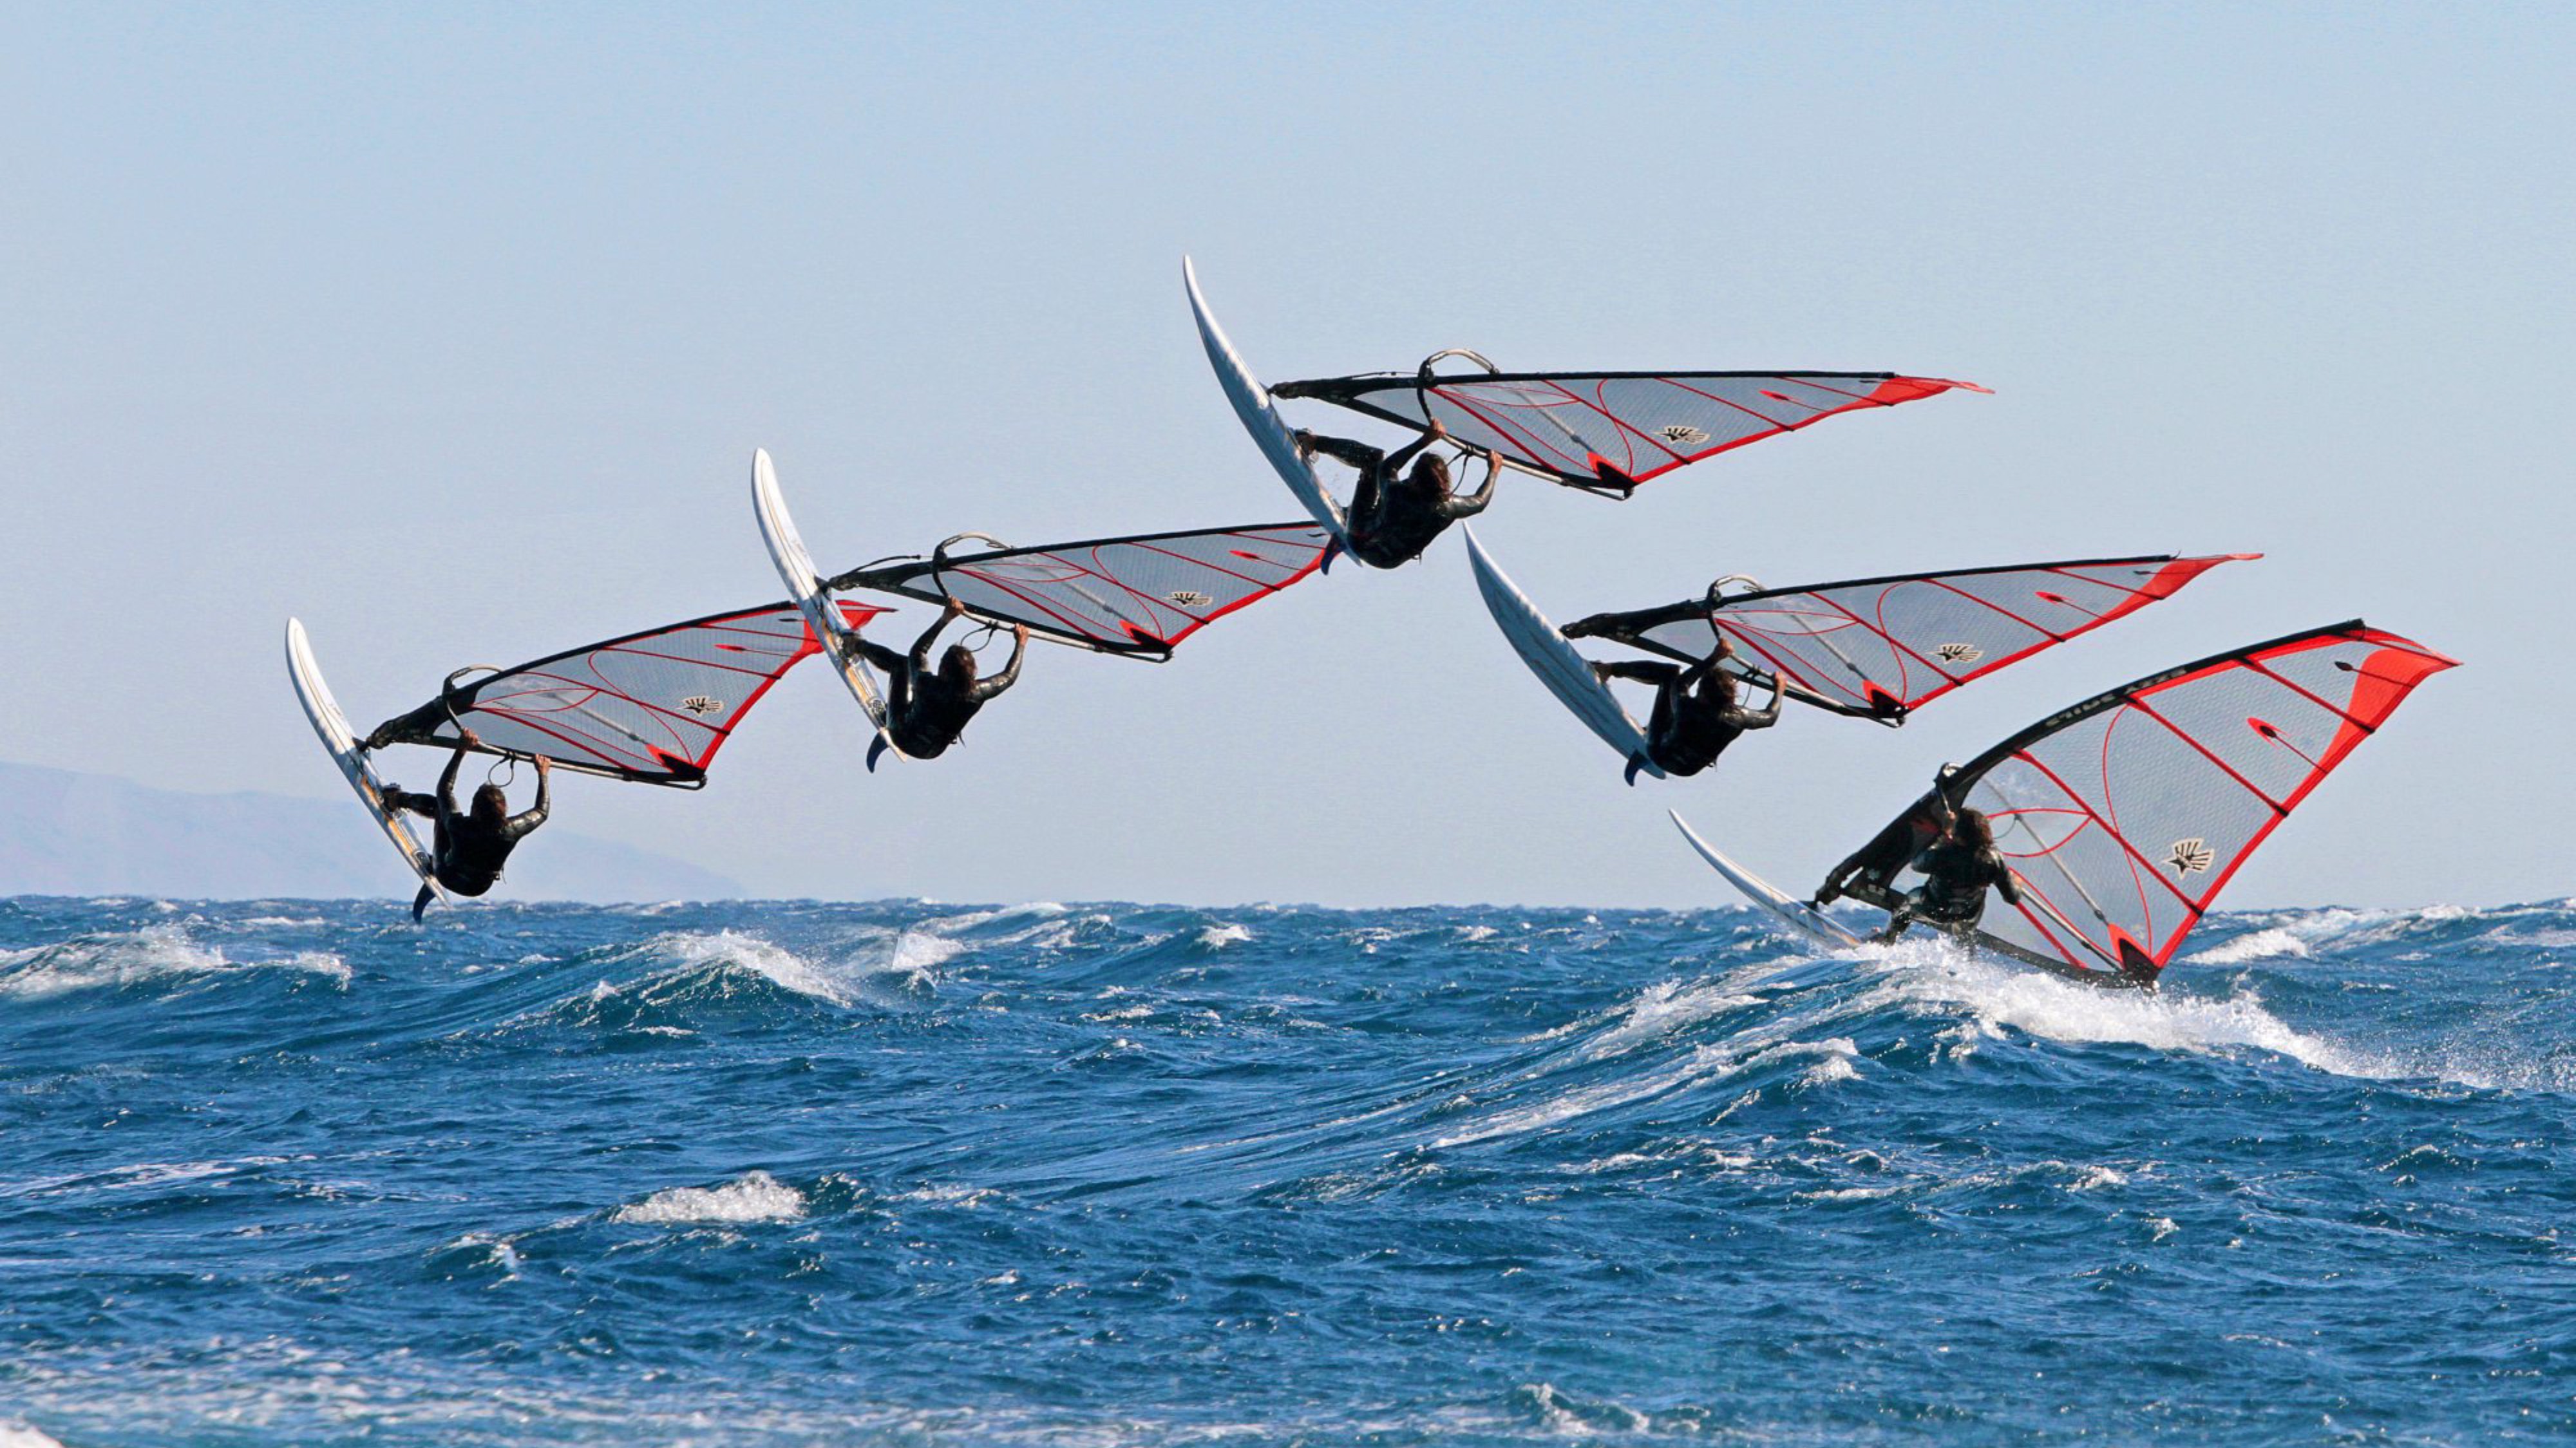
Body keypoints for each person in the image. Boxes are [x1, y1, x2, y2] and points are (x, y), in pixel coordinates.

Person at [379, 728, 549, 921]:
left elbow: (445, 789)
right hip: (478, 887)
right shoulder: (512, 830)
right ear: (505, 809)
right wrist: (542, 774)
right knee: (452, 825)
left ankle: (395, 800)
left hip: (446, 874)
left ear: (475, 808)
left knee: (437, 806)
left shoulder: (458, 824)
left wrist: (461, 751)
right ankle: (436, 858)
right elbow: (542, 812)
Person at [848, 596, 1028, 767]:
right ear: (973, 671)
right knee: (922, 711)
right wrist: (1021, 643)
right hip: (931, 751)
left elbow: (918, 652)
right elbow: (1009, 677)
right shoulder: (977, 693)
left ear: (943, 670)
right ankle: (894, 712)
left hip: (901, 734)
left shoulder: (927, 684)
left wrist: (946, 618)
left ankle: (854, 645)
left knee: (901, 665)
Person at [1293, 419, 1496, 568]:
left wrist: (1424, 441)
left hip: (1359, 537)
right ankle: (1348, 514)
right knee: (1384, 517)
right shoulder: (1449, 507)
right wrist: (1493, 471)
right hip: (1389, 561)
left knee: (1374, 458)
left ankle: (1312, 442)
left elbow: (1387, 466)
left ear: (1416, 481)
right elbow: (1480, 502)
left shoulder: (1397, 492)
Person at [1581, 635, 1781, 778]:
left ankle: (1608, 669)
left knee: (1670, 673)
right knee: (1685, 727)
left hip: (1658, 751)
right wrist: (1779, 688)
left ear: (1704, 694)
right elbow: (1770, 717)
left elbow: (1680, 683)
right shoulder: (1740, 717)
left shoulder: (1689, 707)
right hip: (1688, 770)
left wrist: (1714, 658)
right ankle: (1654, 729)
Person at [1871, 798, 2023, 943]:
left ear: (1958, 834)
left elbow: (1917, 864)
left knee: (1910, 901)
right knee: (1969, 923)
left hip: (1934, 908)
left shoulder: (1944, 853)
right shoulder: (1995, 859)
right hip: (1966, 914)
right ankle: (1967, 959)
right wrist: (2016, 883)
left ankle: (1888, 940)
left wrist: (1943, 834)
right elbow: (2012, 898)